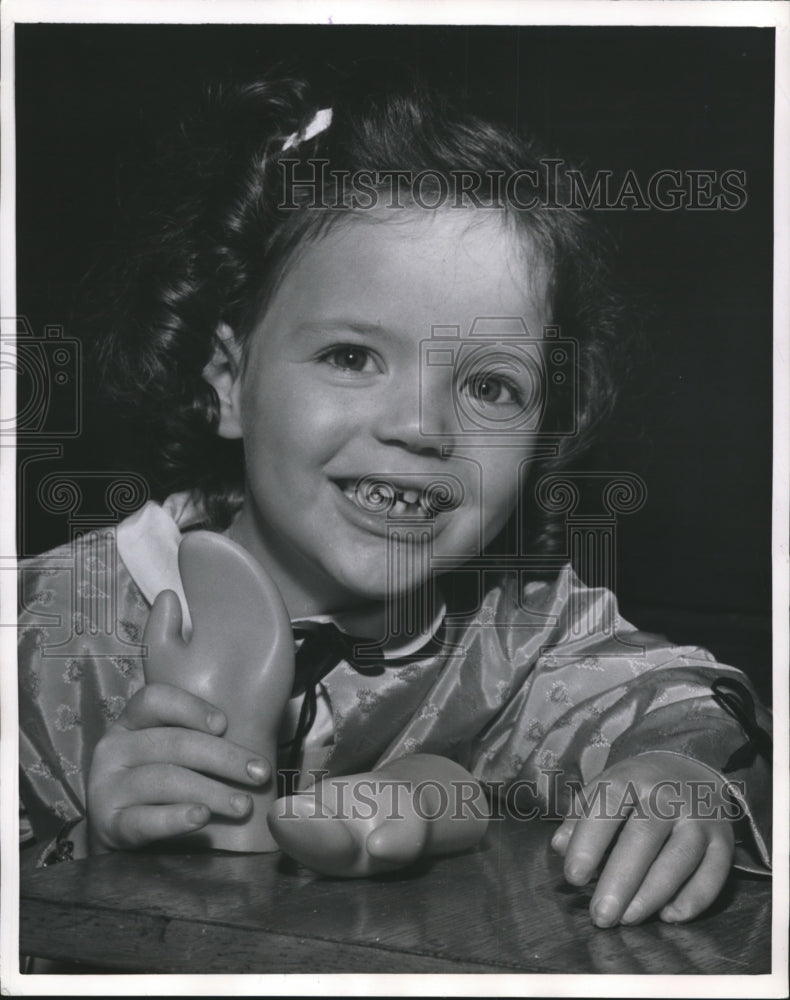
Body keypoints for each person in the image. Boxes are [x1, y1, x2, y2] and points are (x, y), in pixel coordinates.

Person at [18, 64, 771, 929]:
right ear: (228, 380)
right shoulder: (42, 633)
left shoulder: (519, 638)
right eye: (351, 357)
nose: (421, 428)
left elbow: (700, 708)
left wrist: (682, 775)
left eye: (489, 387)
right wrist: (84, 856)